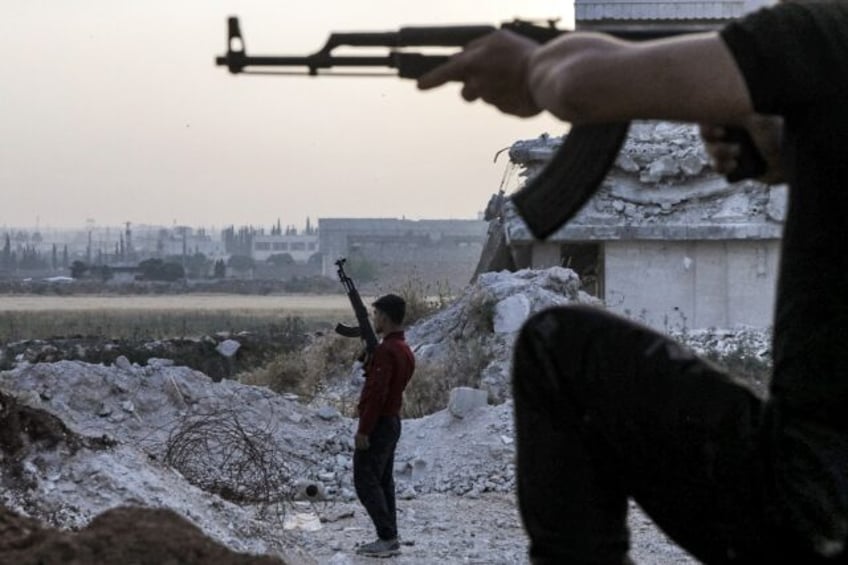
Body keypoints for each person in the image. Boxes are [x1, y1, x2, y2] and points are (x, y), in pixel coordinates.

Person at [418, 3, 848, 564]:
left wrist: (532, 65)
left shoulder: (826, 36)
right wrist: (785, 146)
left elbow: (579, 86)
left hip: (817, 507)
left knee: (558, 350)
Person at [353, 293, 415, 558]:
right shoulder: (403, 349)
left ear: (386, 318)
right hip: (391, 421)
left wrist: (364, 430)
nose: (374, 319)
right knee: (383, 481)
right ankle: (390, 536)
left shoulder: (387, 351)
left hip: (378, 424)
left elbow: (377, 394)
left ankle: (387, 537)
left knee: (365, 481)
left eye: (376, 314)